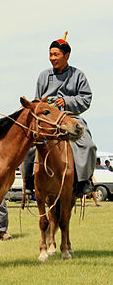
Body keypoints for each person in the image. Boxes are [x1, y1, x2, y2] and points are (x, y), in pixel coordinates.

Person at [24, 32, 97, 196]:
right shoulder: (44, 76)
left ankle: (83, 182)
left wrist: (66, 101)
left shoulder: (78, 75)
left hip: (70, 117)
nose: (52, 58)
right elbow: (37, 99)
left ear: (67, 55)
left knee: (88, 145)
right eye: (50, 54)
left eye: (56, 54)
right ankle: (29, 181)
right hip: (47, 119)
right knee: (27, 142)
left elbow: (86, 98)